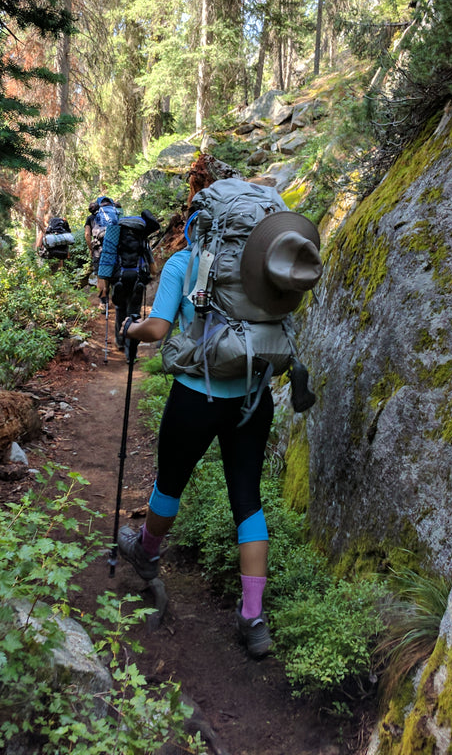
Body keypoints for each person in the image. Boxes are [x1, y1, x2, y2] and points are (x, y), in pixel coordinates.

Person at [117, 197, 321, 659]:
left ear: (201, 223)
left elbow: (158, 329)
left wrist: (131, 329)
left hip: (196, 395)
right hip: (254, 395)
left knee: (170, 483)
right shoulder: (266, 269)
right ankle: (252, 616)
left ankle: (147, 554)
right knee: (248, 500)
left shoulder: (184, 261)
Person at [96, 211, 159, 349]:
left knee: (120, 309)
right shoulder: (142, 242)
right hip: (138, 281)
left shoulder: (116, 242)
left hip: (119, 280)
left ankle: (120, 341)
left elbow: (108, 262)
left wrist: (105, 285)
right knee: (134, 311)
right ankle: (132, 345)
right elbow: (154, 269)